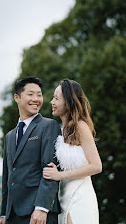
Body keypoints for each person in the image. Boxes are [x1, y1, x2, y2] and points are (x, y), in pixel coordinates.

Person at [0, 76, 61, 224]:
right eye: (31, 94)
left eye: (39, 95)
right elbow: (7, 177)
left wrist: (42, 208)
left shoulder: (48, 126)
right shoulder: (9, 136)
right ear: (17, 98)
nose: (36, 99)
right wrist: (3, 214)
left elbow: (50, 170)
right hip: (12, 215)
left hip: (37, 212)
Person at [43, 78, 102, 224]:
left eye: (56, 98)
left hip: (80, 195)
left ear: (68, 102)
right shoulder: (60, 131)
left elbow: (96, 166)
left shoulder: (80, 126)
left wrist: (60, 175)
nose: (52, 102)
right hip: (63, 195)